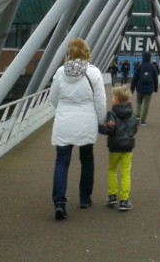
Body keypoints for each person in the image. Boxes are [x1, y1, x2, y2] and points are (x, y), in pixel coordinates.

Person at [50, 38, 106, 220]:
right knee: (87, 159)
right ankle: (84, 198)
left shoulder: (60, 72)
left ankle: (59, 202)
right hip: (86, 121)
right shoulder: (94, 73)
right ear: (86, 52)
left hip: (64, 121)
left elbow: (53, 99)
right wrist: (102, 120)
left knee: (62, 161)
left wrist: (64, 109)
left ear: (69, 52)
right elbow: (100, 101)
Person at [98, 85, 138, 211]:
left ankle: (112, 195)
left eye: (113, 96)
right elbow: (134, 130)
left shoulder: (112, 114)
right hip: (128, 147)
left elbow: (110, 129)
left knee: (112, 170)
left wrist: (99, 128)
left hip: (115, 147)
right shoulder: (132, 114)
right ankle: (124, 200)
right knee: (126, 172)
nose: (111, 98)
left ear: (117, 99)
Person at [130, 52, 158, 126]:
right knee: (146, 104)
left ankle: (137, 118)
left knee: (139, 103)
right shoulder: (153, 67)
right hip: (149, 88)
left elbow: (135, 78)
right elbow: (155, 78)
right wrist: (155, 88)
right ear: (149, 58)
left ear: (143, 58)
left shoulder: (139, 67)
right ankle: (143, 121)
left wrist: (132, 88)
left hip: (140, 88)